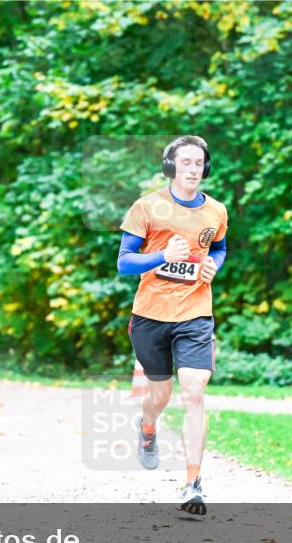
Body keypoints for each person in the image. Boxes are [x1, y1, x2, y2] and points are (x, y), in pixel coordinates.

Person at [117, 135, 228, 515]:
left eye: (199, 163)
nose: (193, 170)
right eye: (186, 163)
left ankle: (193, 484)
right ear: (172, 167)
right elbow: (124, 263)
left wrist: (215, 265)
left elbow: (219, 247)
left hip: (195, 313)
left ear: (206, 168)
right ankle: (147, 427)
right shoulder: (147, 207)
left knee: (194, 393)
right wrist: (163, 255)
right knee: (160, 397)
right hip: (150, 315)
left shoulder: (216, 211)